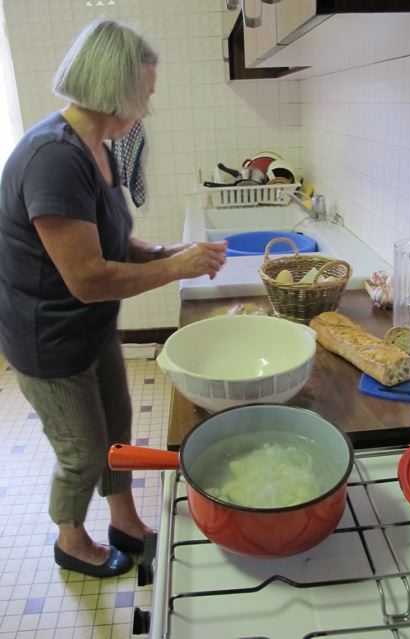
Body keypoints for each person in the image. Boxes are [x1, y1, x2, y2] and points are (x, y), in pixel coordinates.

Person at [0, 19, 227, 578]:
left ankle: (125, 522)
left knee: (115, 433)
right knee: (82, 452)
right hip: (49, 339)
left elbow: (111, 241)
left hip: (89, 327)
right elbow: (89, 278)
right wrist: (176, 268)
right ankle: (70, 542)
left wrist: (169, 251)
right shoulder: (53, 158)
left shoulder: (96, 148)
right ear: (117, 89)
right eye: (143, 94)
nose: (146, 108)